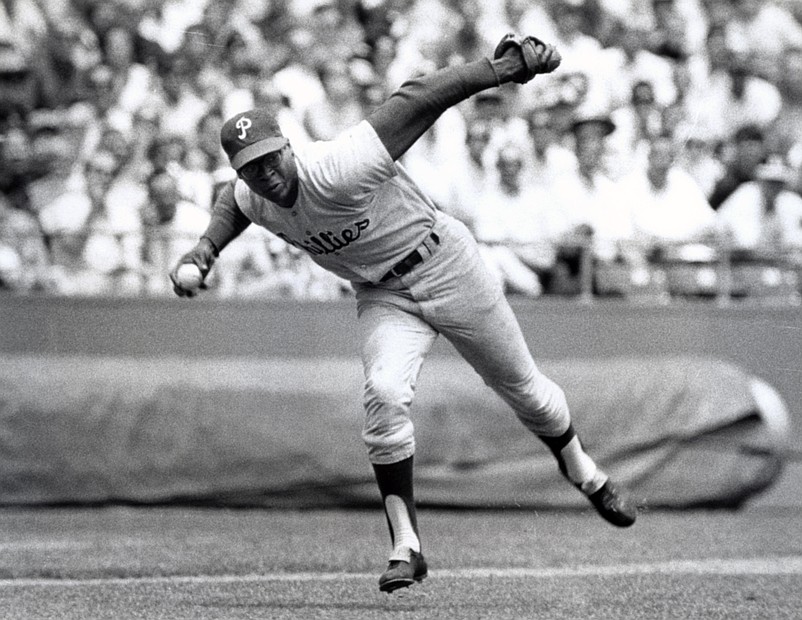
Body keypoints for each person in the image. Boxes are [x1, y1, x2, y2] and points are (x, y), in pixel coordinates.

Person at [169, 33, 637, 593]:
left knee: (526, 392)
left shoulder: (337, 167)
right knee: (384, 394)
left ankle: (584, 472)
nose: (266, 174)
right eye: (252, 168)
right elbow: (232, 201)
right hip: (382, 293)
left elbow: (418, 97)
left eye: (271, 159)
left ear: (288, 147)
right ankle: (406, 545)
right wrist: (205, 249)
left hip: (444, 262)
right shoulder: (252, 194)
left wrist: (501, 69)